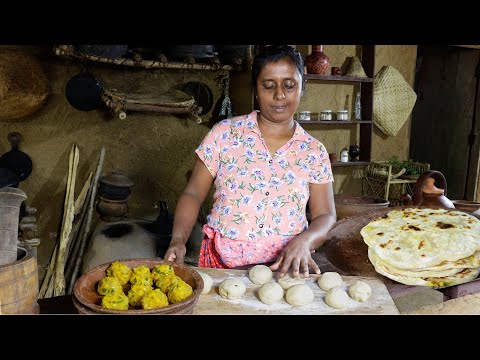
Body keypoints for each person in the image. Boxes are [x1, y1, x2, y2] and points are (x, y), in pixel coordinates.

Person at [164, 45, 337, 278]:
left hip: (286, 269)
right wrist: (178, 240)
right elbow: (194, 193)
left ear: (302, 88)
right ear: (256, 89)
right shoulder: (224, 134)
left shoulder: (313, 151)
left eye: (289, 85)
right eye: (268, 85)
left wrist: (305, 240)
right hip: (221, 266)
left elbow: (325, 215)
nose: (279, 95)